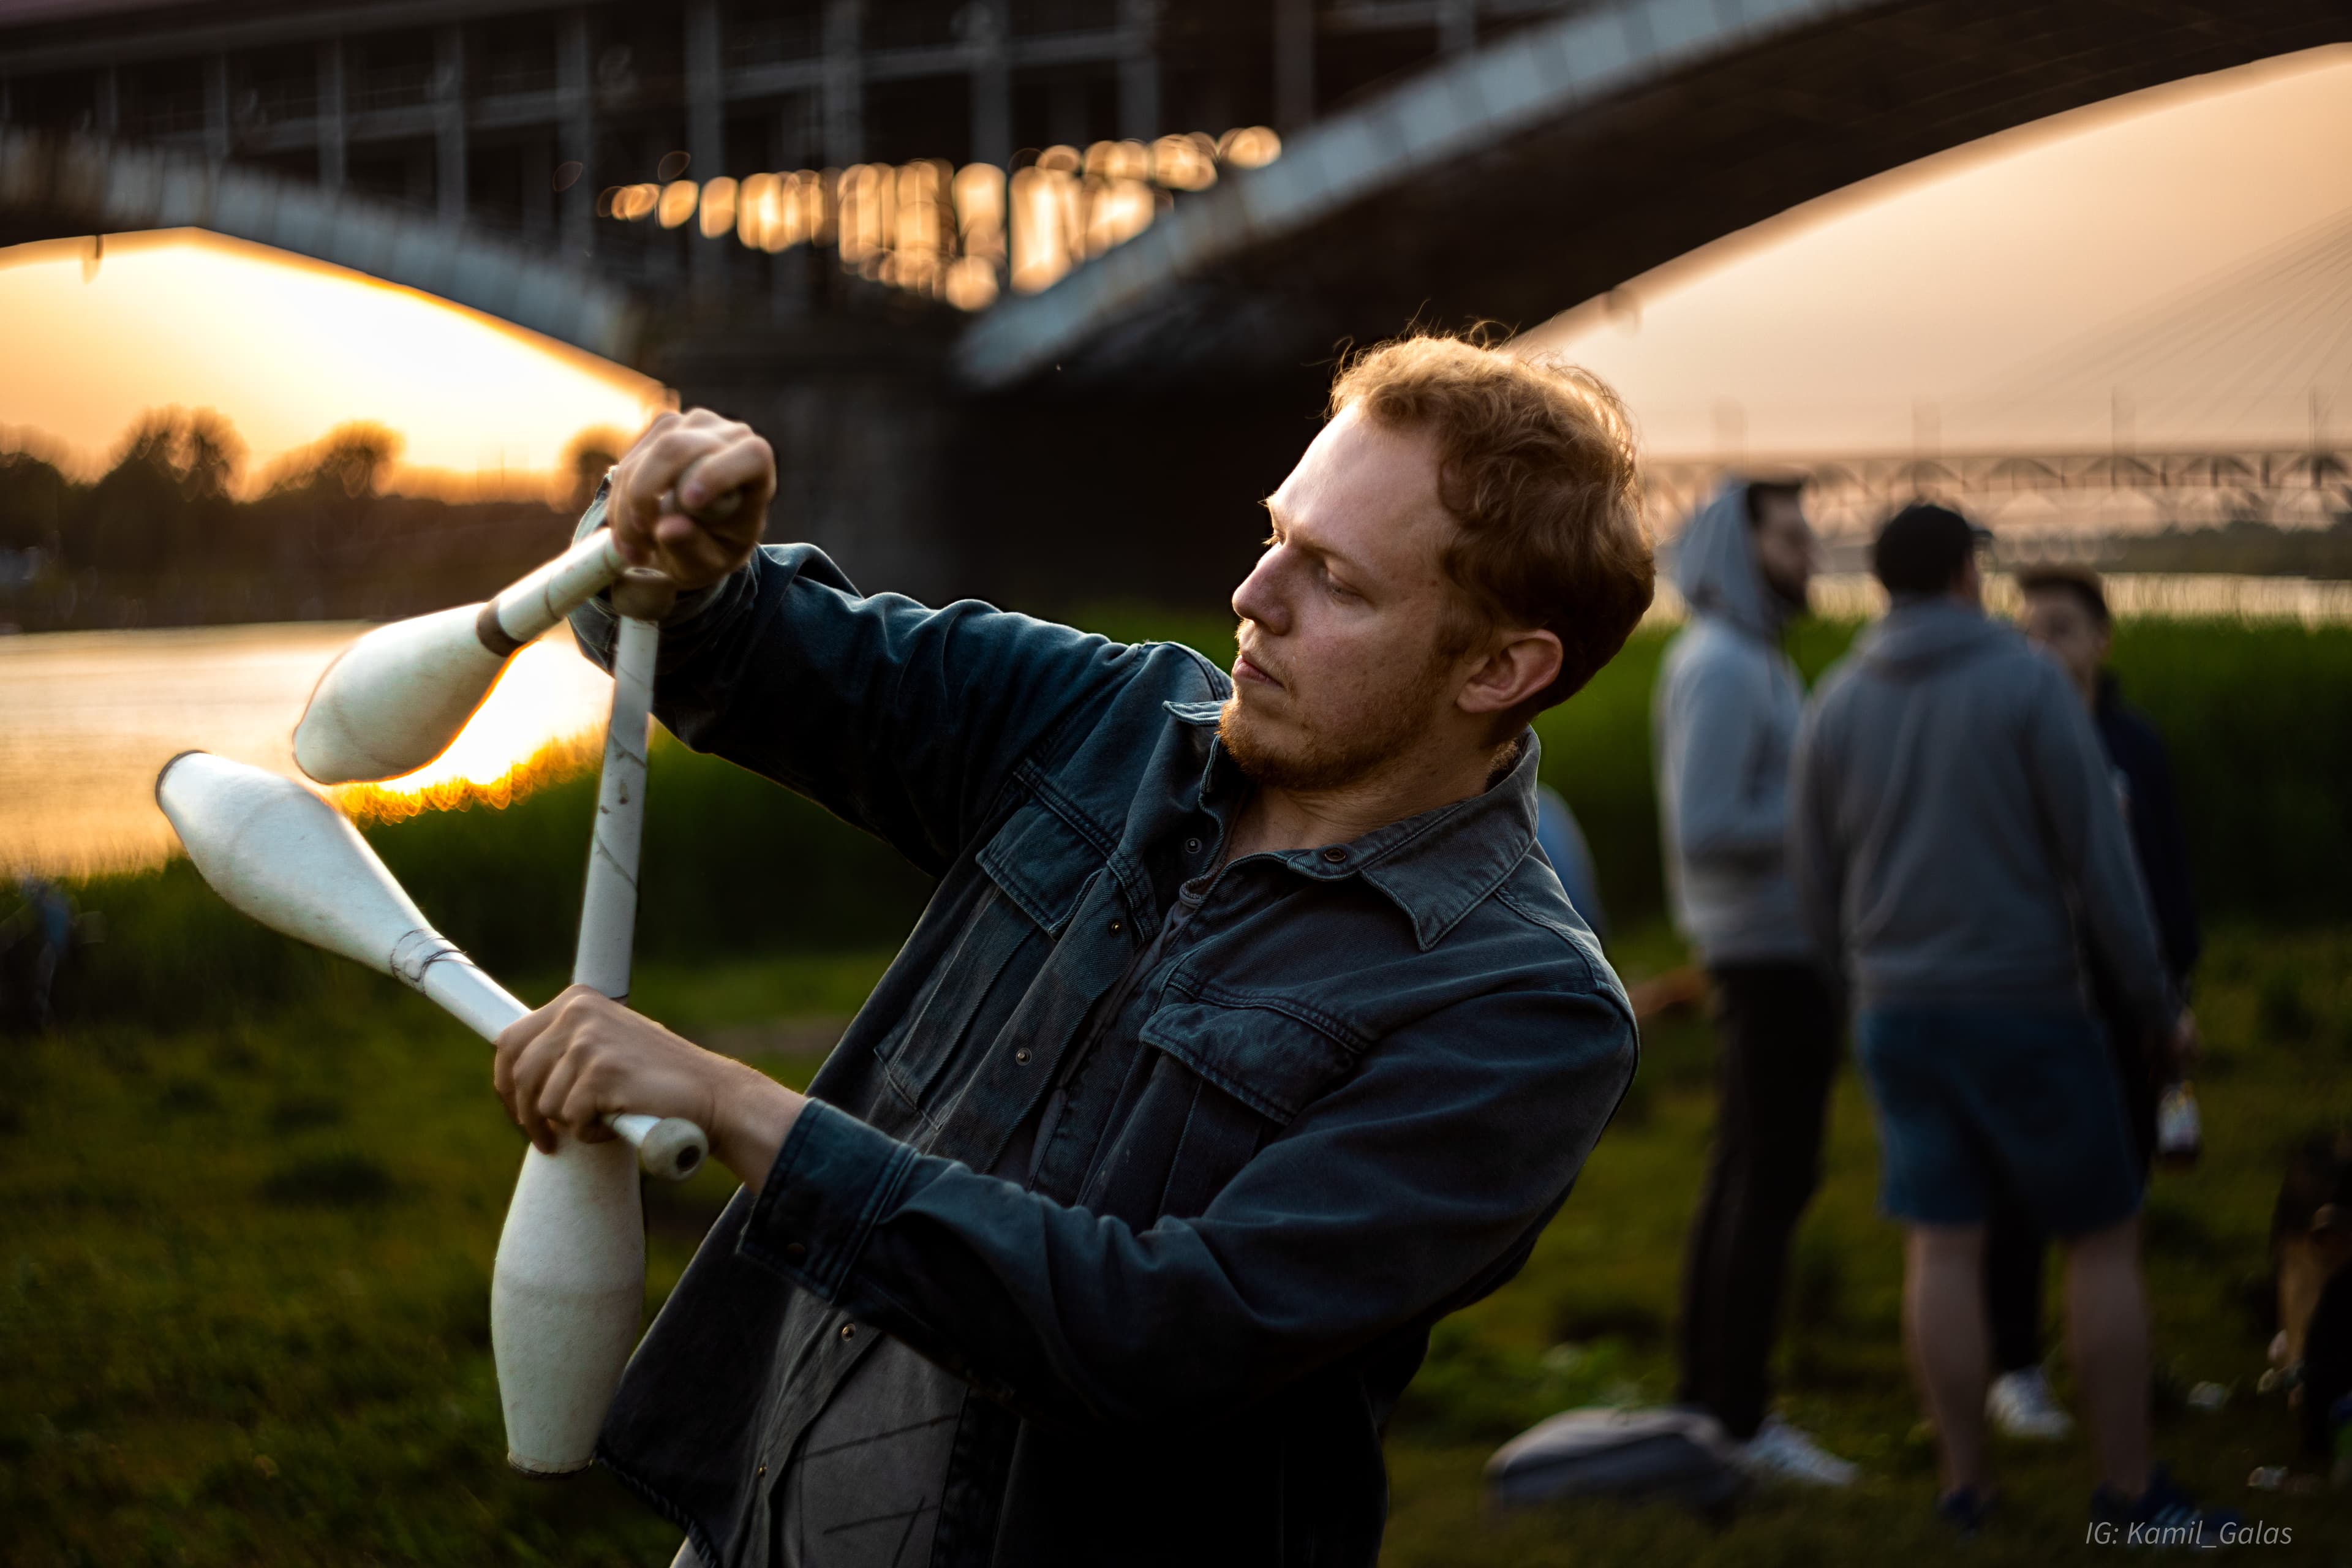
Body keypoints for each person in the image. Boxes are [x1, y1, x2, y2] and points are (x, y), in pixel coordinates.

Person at [491, 333, 1657, 1567]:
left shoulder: (1524, 1008)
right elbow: (734, 656)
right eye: (1275, 535)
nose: (1255, 597)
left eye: (1336, 580)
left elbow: (1157, 1334)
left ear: (1500, 666)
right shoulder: (1105, 720)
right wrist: (677, 551)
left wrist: (732, 1105)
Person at [1789, 502, 2226, 1537]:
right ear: (1962, 575)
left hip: (1897, 1014)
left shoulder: (1837, 701)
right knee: (2101, 1239)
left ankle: (1965, 1489)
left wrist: (1857, 996)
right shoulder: (2028, 683)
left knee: (1941, 1245)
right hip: (2027, 1002)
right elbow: (2103, 867)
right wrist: (2157, 1006)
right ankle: (2129, 1493)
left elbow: (1812, 889)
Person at [1651, 478, 1856, 1485]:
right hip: (1763, 955)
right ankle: (1739, 1417)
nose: (1810, 552)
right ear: (1741, 547)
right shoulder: (1726, 667)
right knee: (1766, 1182)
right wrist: (1828, 820)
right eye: (1791, 536)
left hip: (1779, 950)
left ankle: (1714, 1401)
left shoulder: (1751, 658)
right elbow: (1704, 826)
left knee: (1752, 1176)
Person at [1980, 564, 2202, 1441]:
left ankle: (2115, 1365)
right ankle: (2016, 1370)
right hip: (2031, 996)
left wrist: (2174, 987)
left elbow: (2166, 875)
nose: (2045, 647)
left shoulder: (2133, 742)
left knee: (2120, 1188)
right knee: (2018, 1190)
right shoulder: (2007, 741)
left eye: (2063, 628)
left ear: (2103, 639)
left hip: (2126, 1003)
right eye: (2030, 630)